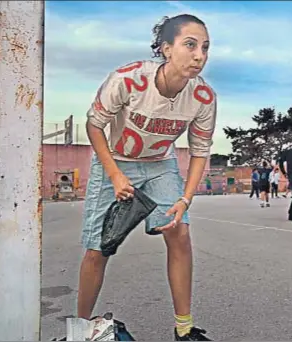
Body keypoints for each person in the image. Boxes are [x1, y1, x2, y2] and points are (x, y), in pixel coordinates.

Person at [78, 14, 215, 341]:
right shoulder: (128, 79)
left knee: (179, 233)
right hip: (116, 161)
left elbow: (199, 152)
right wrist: (113, 174)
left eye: (206, 48)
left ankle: (184, 329)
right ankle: (80, 330)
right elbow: (94, 125)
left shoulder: (203, 97)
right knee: (99, 248)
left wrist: (185, 199)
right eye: (190, 45)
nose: (200, 55)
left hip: (159, 164)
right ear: (167, 49)